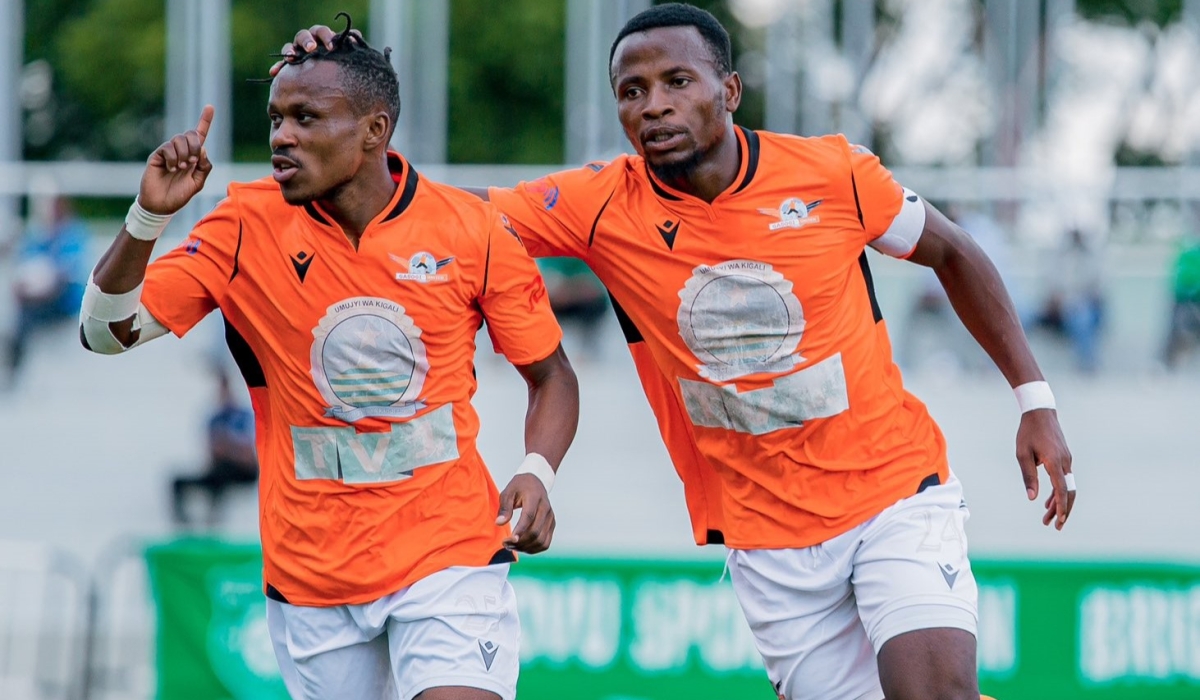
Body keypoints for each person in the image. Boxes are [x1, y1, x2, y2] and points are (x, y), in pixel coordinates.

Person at [283, 5, 1075, 699]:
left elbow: (956, 254)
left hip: (895, 495)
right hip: (765, 541)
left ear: (727, 91)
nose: (654, 105)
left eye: (677, 82)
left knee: (931, 690)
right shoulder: (599, 205)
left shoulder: (833, 173)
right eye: (633, 91)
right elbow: (446, 216)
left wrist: (1033, 400)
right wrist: (340, 99)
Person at [81, 17, 579, 700]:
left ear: (374, 131)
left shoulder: (470, 230)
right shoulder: (242, 226)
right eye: (276, 118)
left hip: (449, 551)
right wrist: (146, 217)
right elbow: (106, 333)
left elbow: (551, 376)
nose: (281, 137)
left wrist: (537, 470)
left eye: (306, 117)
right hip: (312, 571)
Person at [5, 195, 89, 388]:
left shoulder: (72, 236)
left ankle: (13, 367)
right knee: (22, 310)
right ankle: (12, 362)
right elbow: (26, 262)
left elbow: (66, 277)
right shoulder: (43, 235)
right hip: (44, 300)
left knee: (25, 316)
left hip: (67, 303)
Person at [171, 369, 259, 529]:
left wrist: (228, 448)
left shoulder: (245, 415)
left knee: (221, 475)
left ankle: (215, 525)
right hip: (221, 468)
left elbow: (250, 455)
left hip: (244, 471)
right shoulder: (214, 419)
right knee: (179, 482)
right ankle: (185, 527)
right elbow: (211, 453)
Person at [1161, 231, 1200, 369]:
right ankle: (1167, 362)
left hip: (1190, 299)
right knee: (1175, 330)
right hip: (1183, 299)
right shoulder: (1185, 249)